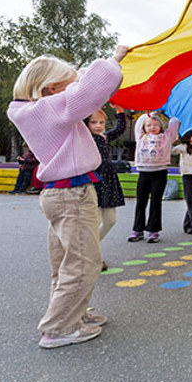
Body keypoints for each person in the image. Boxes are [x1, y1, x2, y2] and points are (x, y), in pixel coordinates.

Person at [7, 44, 127, 349]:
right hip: (71, 194)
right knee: (85, 261)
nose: (71, 90)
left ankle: (74, 314)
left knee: (65, 263)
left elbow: (80, 86)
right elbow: (89, 89)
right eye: (65, 86)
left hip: (60, 194)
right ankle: (59, 328)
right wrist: (114, 58)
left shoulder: (36, 109)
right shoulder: (49, 109)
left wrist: (81, 76)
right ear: (50, 89)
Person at [85, 104, 127, 270]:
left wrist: (120, 112)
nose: (98, 126)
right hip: (93, 181)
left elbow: (119, 130)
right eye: (93, 122)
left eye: (101, 123)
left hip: (108, 181)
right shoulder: (84, 139)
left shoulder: (103, 138)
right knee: (95, 221)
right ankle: (94, 257)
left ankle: (88, 250)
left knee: (110, 220)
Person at [130, 111, 180, 243]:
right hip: (144, 173)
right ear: (144, 128)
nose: (152, 127)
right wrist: (152, 111)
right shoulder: (140, 137)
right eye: (149, 125)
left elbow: (174, 124)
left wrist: (169, 111)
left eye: (155, 125)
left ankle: (153, 231)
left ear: (161, 127)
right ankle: (137, 230)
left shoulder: (166, 137)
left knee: (155, 202)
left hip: (160, 172)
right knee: (141, 202)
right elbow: (141, 120)